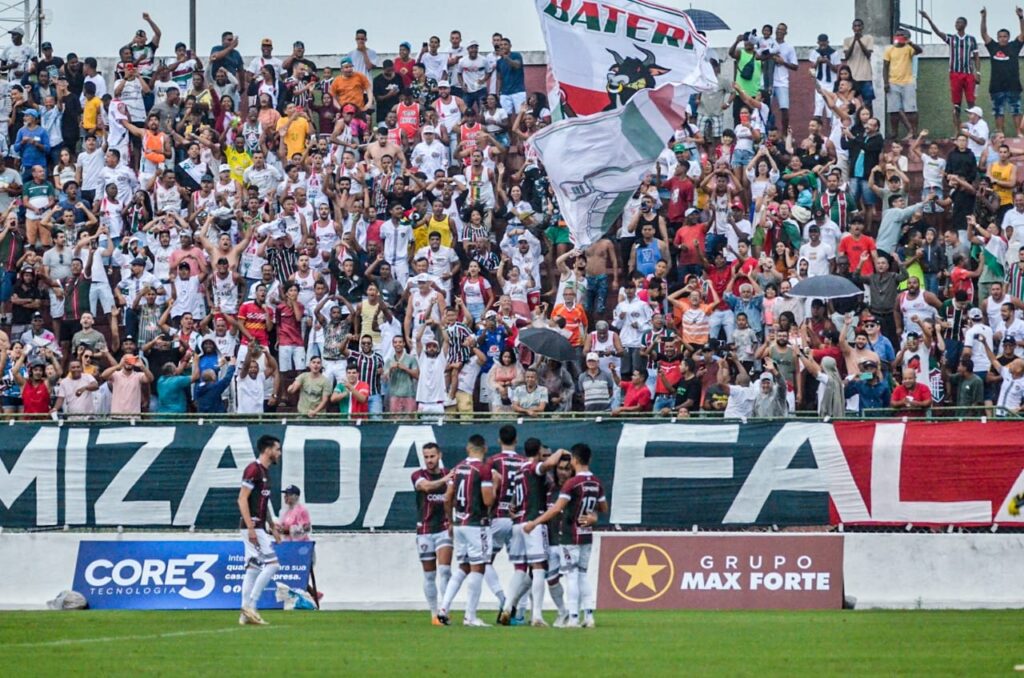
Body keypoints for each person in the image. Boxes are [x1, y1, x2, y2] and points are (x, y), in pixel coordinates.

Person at [523, 442, 606, 629]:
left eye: (567, 467)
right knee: (580, 576)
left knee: (572, 576)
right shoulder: (595, 482)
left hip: (569, 536)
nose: (563, 472)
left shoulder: (572, 484)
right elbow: (603, 507)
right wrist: (592, 514)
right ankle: (588, 616)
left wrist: (534, 523)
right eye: (560, 468)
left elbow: (558, 509)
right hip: (579, 537)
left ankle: (573, 617)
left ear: (575, 462)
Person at [498, 443, 567, 628]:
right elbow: (548, 464)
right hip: (532, 523)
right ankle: (536, 614)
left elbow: (516, 497)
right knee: (538, 569)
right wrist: (560, 450)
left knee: (520, 569)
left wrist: (514, 507)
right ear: (537, 453)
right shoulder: (532, 467)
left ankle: (506, 607)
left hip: (517, 524)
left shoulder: (519, 471)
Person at [436, 433, 495, 627]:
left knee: (463, 567)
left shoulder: (458, 468)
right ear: (485, 449)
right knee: (479, 567)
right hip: (477, 524)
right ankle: (470, 616)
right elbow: (487, 500)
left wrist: (450, 521)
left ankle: (443, 608)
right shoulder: (484, 469)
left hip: (459, 523)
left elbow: (447, 497)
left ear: (468, 449)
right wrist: (495, 486)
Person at [237, 434, 283, 627]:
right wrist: (251, 528)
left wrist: (272, 526)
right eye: (277, 449)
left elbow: (264, 503)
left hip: (259, 526)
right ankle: (252, 606)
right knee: (273, 564)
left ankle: (244, 614)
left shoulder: (265, 472)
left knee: (254, 568)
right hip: (252, 526)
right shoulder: (253, 469)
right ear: (267, 450)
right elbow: (241, 499)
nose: (279, 453)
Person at [411, 442, 453, 624]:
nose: (429, 460)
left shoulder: (449, 474)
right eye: (426, 457)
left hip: (444, 528)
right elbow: (426, 487)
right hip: (425, 530)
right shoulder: (418, 475)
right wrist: (445, 481)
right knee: (429, 575)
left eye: (432, 456)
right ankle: (434, 613)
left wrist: (453, 520)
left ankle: (444, 611)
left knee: (445, 571)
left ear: (439, 455)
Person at [920, 10, 981, 132]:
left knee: (971, 103)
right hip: (955, 74)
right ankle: (957, 130)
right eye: (956, 22)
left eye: (959, 22)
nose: (956, 24)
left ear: (965, 24)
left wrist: (978, 72)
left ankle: (975, 128)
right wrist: (927, 18)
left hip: (968, 74)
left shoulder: (971, 39)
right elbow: (937, 32)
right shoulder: (951, 38)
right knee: (956, 105)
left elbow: (976, 57)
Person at [980, 7, 1024, 136]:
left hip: (1013, 86)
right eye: (1000, 36)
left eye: (1005, 36)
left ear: (1008, 37)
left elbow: (1023, 33)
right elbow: (984, 34)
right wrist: (983, 17)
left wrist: (1021, 17)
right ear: (997, 38)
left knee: (1016, 110)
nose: (1003, 38)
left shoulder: (1014, 46)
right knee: (998, 112)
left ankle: (1018, 132)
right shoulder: (993, 47)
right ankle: (1001, 133)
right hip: (996, 87)